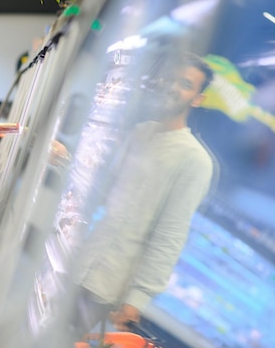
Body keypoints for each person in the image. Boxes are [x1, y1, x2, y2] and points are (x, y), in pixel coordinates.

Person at [72, 51, 216, 336]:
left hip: (107, 288)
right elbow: (101, 191)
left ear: (198, 99)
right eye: (170, 78)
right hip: (77, 266)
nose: (173, 87)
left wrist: (137, 300)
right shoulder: (140, 133)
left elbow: (169, 236)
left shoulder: (195, 160)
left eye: (186, 84)